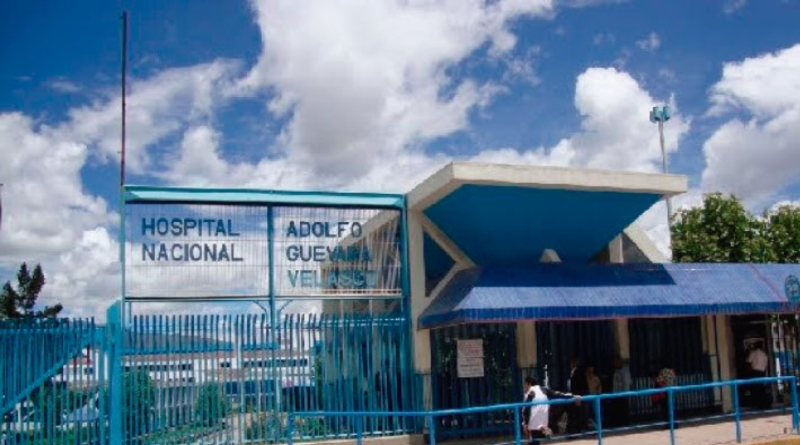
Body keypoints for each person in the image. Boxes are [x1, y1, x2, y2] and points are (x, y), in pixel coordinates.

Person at [522, 376, 579, 445]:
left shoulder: (529, 392)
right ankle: (545, 431)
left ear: (529, 383)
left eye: (525, 384)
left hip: (534, 421)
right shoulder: (543, 389)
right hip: (545, 418)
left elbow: (526, 409)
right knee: (536, 436)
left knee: (533, 440)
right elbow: (558, 394)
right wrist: (573, 396)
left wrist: (525, 423)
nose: (525, 387)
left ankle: (544, 432)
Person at [566, 358, 589, 434]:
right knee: (577, 413)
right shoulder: (572, 372)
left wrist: (577, 395)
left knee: (581, 413)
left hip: (579, 396)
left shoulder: (578, 372)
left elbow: (580, 385)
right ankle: (577, 429)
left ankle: (582, 428)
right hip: (575, 395)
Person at [654, 359, 677, 428]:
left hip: (665, 391)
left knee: (666, 408)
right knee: (672, 407)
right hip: (672, 390)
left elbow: (659, 381)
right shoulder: (672, 371)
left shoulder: (663, 371)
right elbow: (674, 380)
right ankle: (674, 423)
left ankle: (669, 424)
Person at [610, 355, 632, 428]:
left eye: (616, 361)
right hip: (616, 393)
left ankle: (625, 423)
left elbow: (626, 383)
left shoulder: (624, 370)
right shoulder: (616, 370)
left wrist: (625, 394)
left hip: (623, 394)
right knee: (617, 409)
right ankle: (619, 423)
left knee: (624, 409)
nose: (615, 363)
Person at [747, 342, 770, 409]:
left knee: (754, 388)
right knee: (761, 388)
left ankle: (755, 404)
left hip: (754, 372)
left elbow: (748, 361)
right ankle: (762, 404)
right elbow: (766, 365)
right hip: (762, 372)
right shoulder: (764, 354)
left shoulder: (753, 353)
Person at [585, 365, 602, 429]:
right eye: (589, 372)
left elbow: (599, 388)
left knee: (596, 412)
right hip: (586, 398)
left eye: (592, 372)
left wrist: (598, 394)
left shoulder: (596, 379)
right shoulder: (584, 379)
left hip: (595, 398)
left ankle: (597, 427)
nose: (590, 374)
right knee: (586, 413)